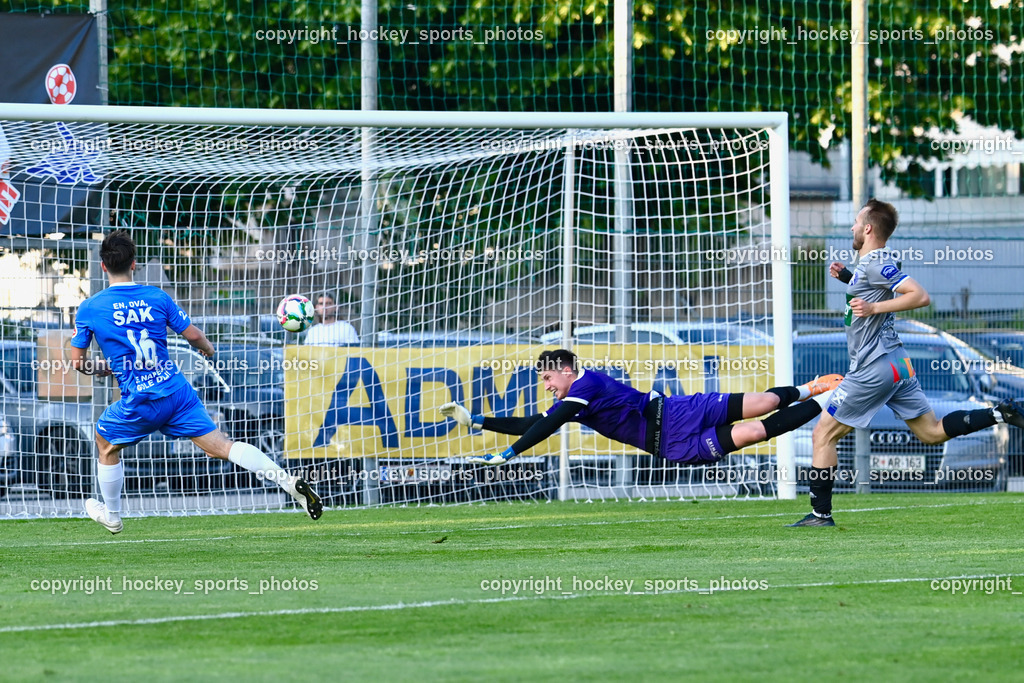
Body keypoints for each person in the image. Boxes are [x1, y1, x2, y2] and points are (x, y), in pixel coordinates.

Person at [788, 199, 1024, 527]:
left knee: (822, 435)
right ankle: (1001, 413)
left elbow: (919, 295)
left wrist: (873, 310)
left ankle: (820, 515)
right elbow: (876, 289)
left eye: (856, 223)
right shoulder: (872, 264)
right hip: (897, 364)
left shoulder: (876, 263)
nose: (852, 228)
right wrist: (848, 278)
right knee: (931, 433)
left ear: (868, 228)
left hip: (874, 365)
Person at [70, 230, 322, 534]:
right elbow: (194, 336)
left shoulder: (90, 308)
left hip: (141, 400)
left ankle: (112, 515)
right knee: (221, 445)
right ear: (134, 264)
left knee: (105, 444)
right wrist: (208, 350)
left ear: (103, 266)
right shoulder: (156, 296)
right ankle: (287, 481)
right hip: (176, 392)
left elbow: (77, 363)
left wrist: (99, 368)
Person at [441, 348, 842, 469]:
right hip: (671, 446)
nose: (546, 387)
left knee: (767, 402)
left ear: (566, 371)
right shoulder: (571, 400)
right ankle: (827, 401)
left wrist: (509, 453)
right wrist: (477, 420)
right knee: (755, 431)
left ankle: (813, 388)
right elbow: (533, 422)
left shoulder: (587, 385)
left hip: (678, 412)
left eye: (548, 379)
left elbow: (546, 426)